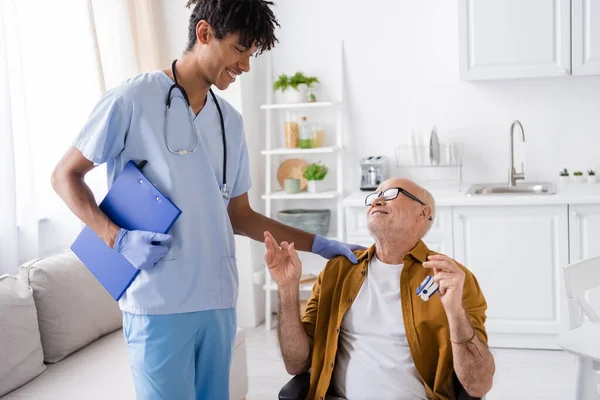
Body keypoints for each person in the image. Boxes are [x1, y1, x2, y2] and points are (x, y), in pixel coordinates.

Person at [51, 1, 361, 399]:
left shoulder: (229, 121)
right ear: (203, 34)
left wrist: (319, 244)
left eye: (251, 56)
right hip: (157, 302)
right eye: (239, 50)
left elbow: (241, 216)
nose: (245, 67)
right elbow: (65, 176)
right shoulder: (131, 99)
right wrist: (116, 238)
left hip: (217, 302)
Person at [265, 178, 496, 400]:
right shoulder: (338, 271)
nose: (376, 200)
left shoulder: (451, 278)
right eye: (374, 196)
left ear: (423, 213)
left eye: (390, 194)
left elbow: (478, 385)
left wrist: (455, 313)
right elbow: (295, 364)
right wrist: (286, 288)